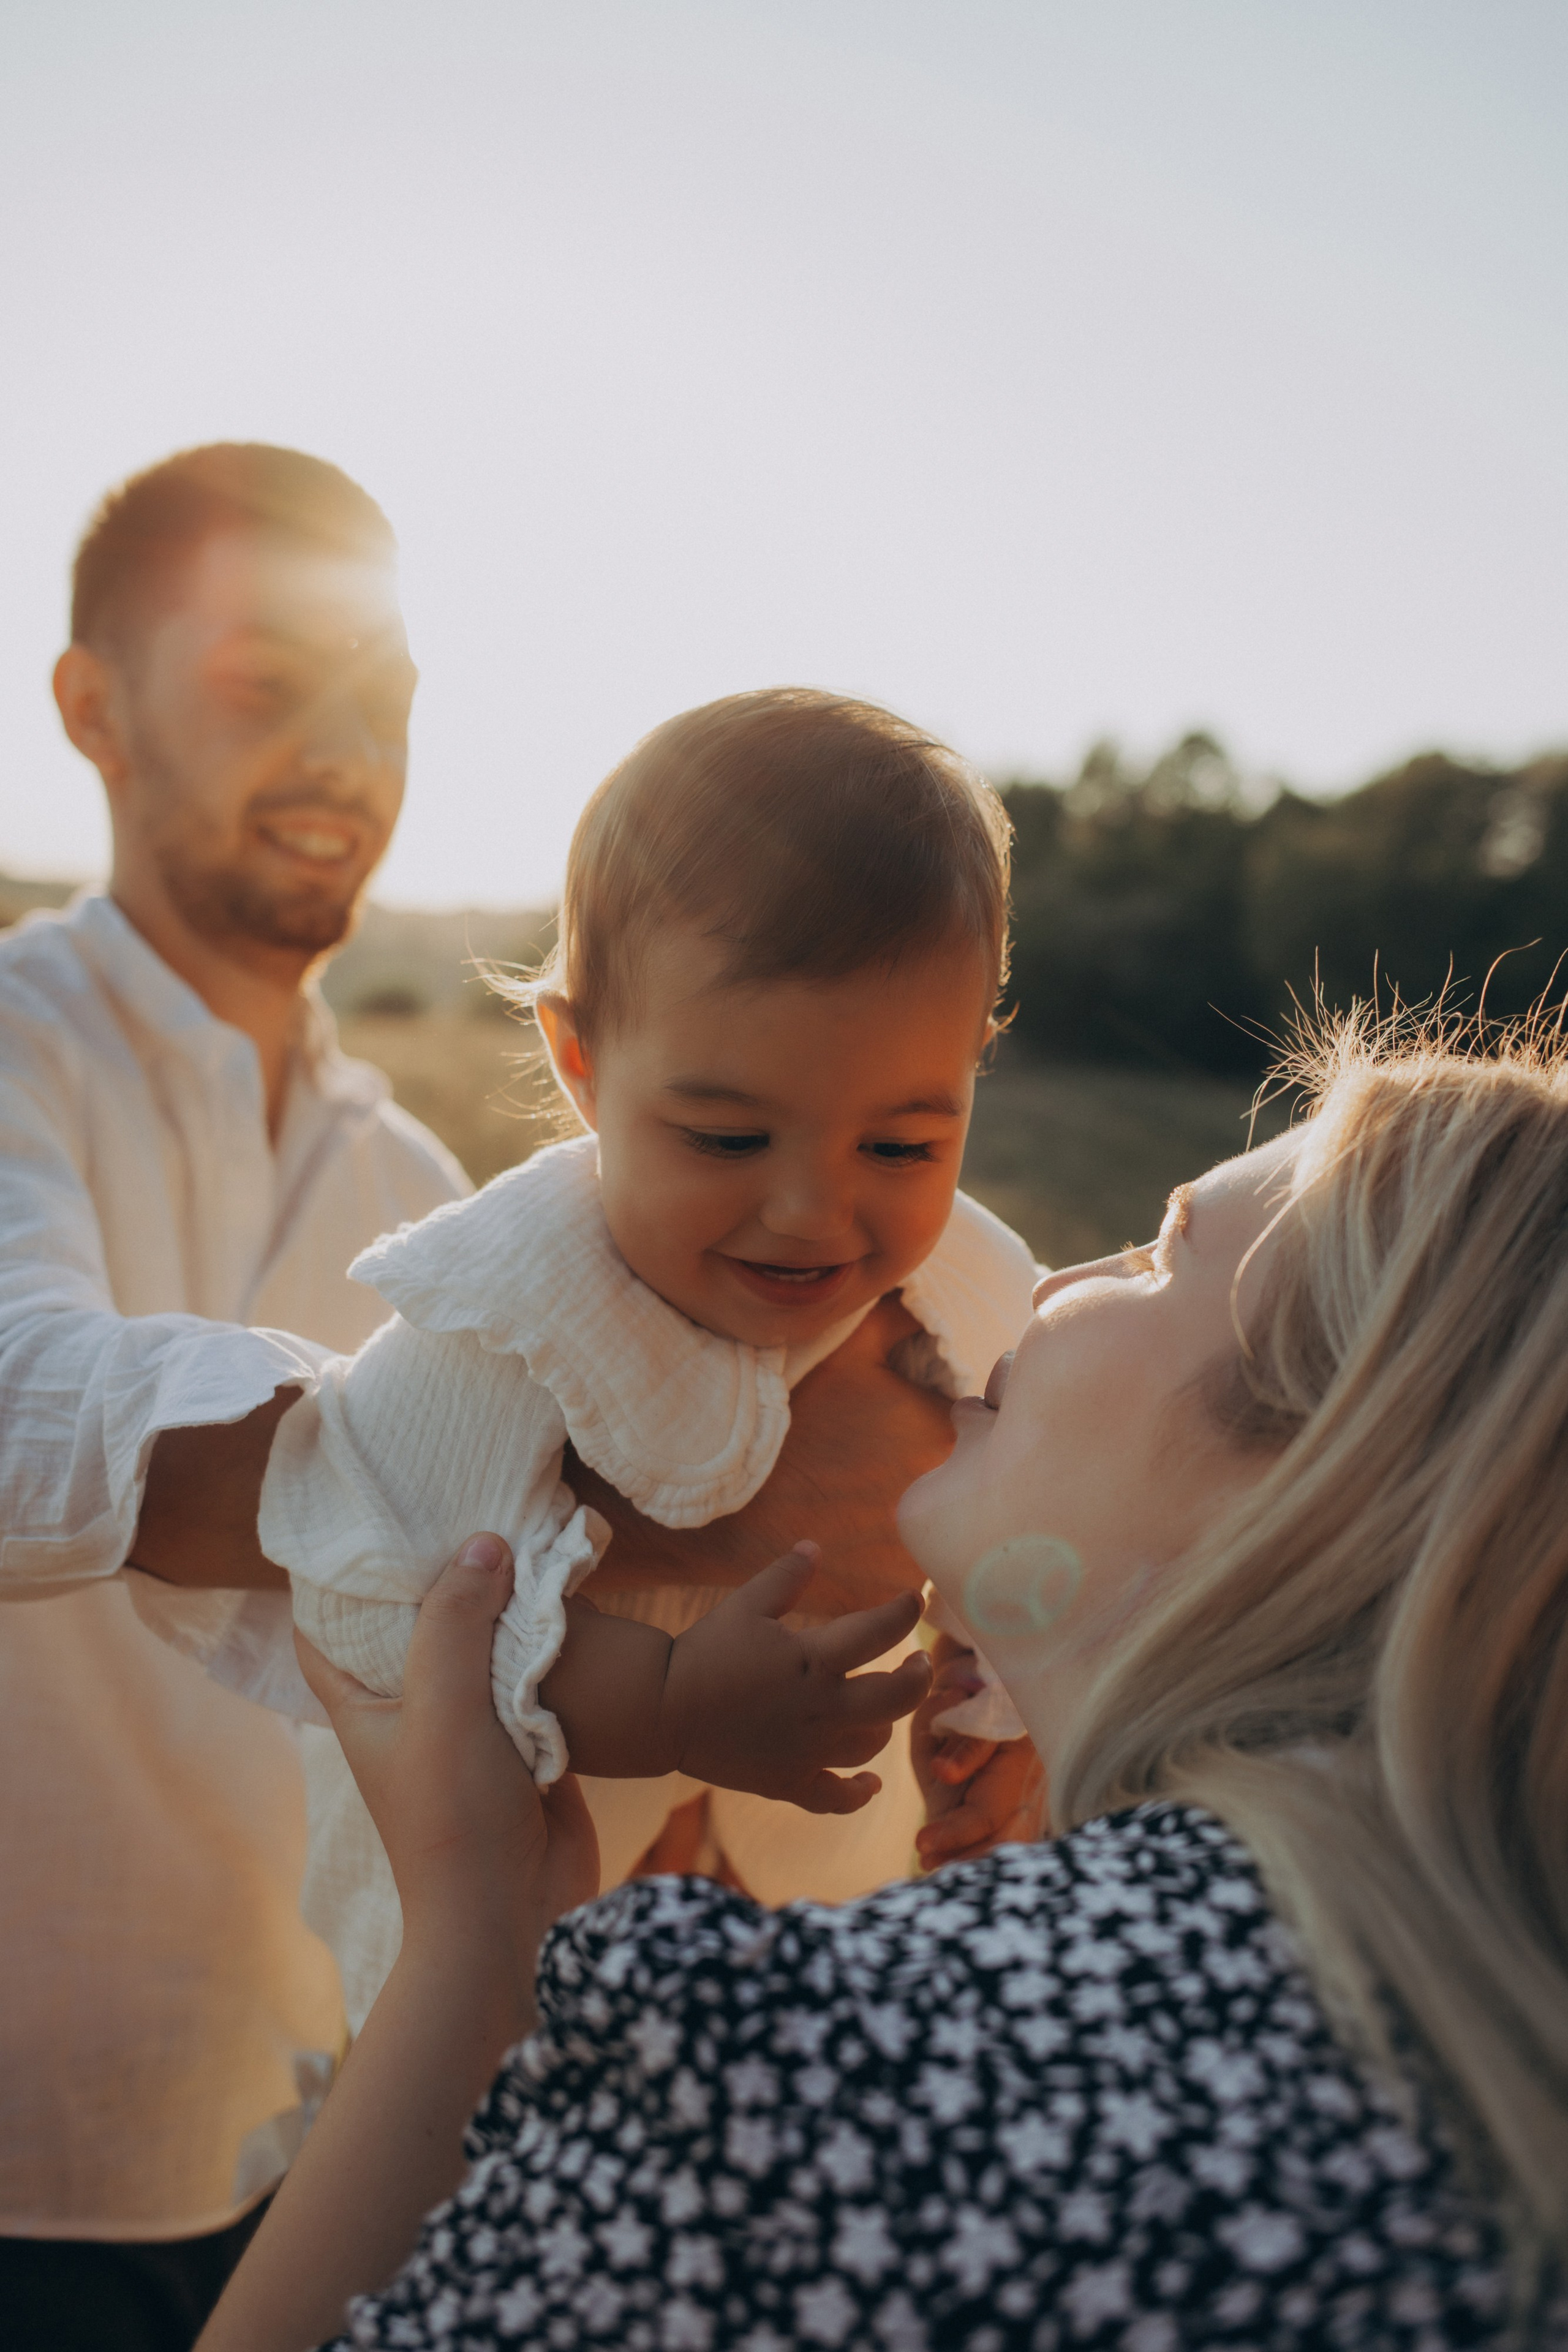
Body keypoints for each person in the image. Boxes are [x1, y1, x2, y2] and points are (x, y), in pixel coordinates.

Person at [203, 1012, 1568, 2350]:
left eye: (1159, 1255)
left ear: (1324, 1472)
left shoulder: (818, 2077)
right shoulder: (1486, 1995)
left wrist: (471, 1948)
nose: (1045, 1284)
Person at [0, 449, 958, 2349]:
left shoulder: (430, 1198)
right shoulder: (19, 1045)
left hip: (331, 2112)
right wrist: (455, 1501)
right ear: (91, 707)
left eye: (386, 701)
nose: (344, 755)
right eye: (268, 687)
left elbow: (566, 1620)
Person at [138, 689, 1041, 1905]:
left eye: (899, 1149)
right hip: (508, 1949)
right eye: (725, 1139)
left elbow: (1039, 1542)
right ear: (581, 1060)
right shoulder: (514, 1307)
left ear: (971, 1066)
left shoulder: (969, 1296)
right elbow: (355, 1586)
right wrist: (652, 1703)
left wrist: (1003, 1703)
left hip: (822, 1927)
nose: (811, 1216)